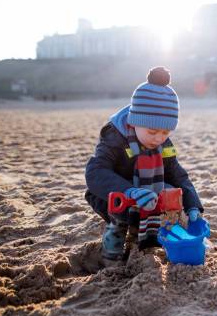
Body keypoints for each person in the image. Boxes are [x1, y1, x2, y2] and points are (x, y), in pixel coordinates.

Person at [85, 67, 203, 262]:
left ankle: (151, 236)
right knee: (120, 216)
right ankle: (111, 253)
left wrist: (193, 206)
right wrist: (130, 191)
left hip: (150, 193)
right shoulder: (115, 137)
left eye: (165, 133)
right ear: (135, 121)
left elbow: (177, 174)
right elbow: (95, 172)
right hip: (114, 194)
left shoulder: (163, 143)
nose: (158, 138)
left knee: (173, 193)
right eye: (152, 131)